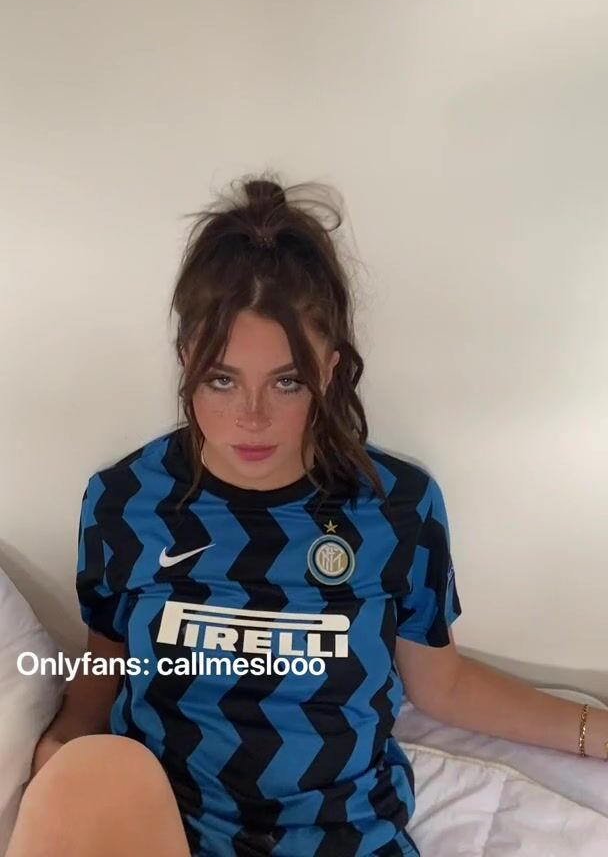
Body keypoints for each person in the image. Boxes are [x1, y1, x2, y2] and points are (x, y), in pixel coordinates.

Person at [8, 174, 607, 857]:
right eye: (221, 379)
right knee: (90, 770)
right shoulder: (124, 500)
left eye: (286, 381)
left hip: (342, 838)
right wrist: (59, 759)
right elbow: (101, 676)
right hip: (174, 830)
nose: (251, 416)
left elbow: (443, 686)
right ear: (186, 363)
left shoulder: (397, 507)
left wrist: (593, 733)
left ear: (329, 370)